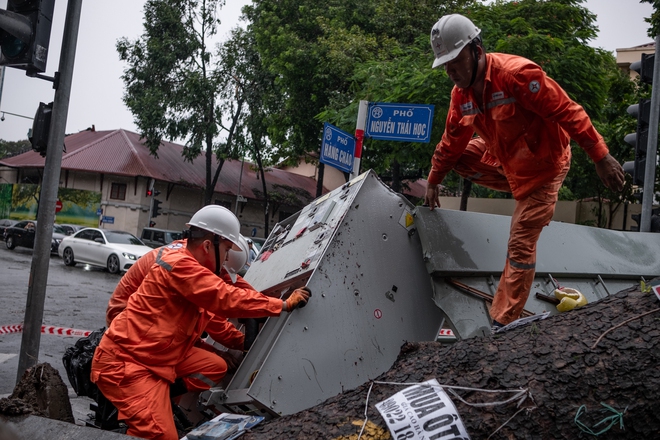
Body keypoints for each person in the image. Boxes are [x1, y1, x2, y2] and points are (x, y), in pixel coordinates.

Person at [425, 14, 625, 331]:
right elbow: (451, 142)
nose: (450, 71)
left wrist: (600, 155)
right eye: (445, 64)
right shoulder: (460, 97)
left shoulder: (517, 75)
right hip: (507, 160)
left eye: (455, 60)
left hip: (545, 168)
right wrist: (434, 181)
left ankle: (503, 323)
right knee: (457, 156)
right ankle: (520, 189)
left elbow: (567, 111)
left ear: (476, 49)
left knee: (520, 245)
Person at [91, 205, 311, 440]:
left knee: (214, 366)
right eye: (226, 249)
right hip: (129, 363)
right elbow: (224, 297)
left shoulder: (194, 263)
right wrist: (282, 306)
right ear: (208, 245)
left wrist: (265, 300)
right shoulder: (181, 266)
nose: (227, 257)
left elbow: (233, 285)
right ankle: (147, 405)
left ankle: (158, 396)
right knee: (161, 435)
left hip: (155, 354)